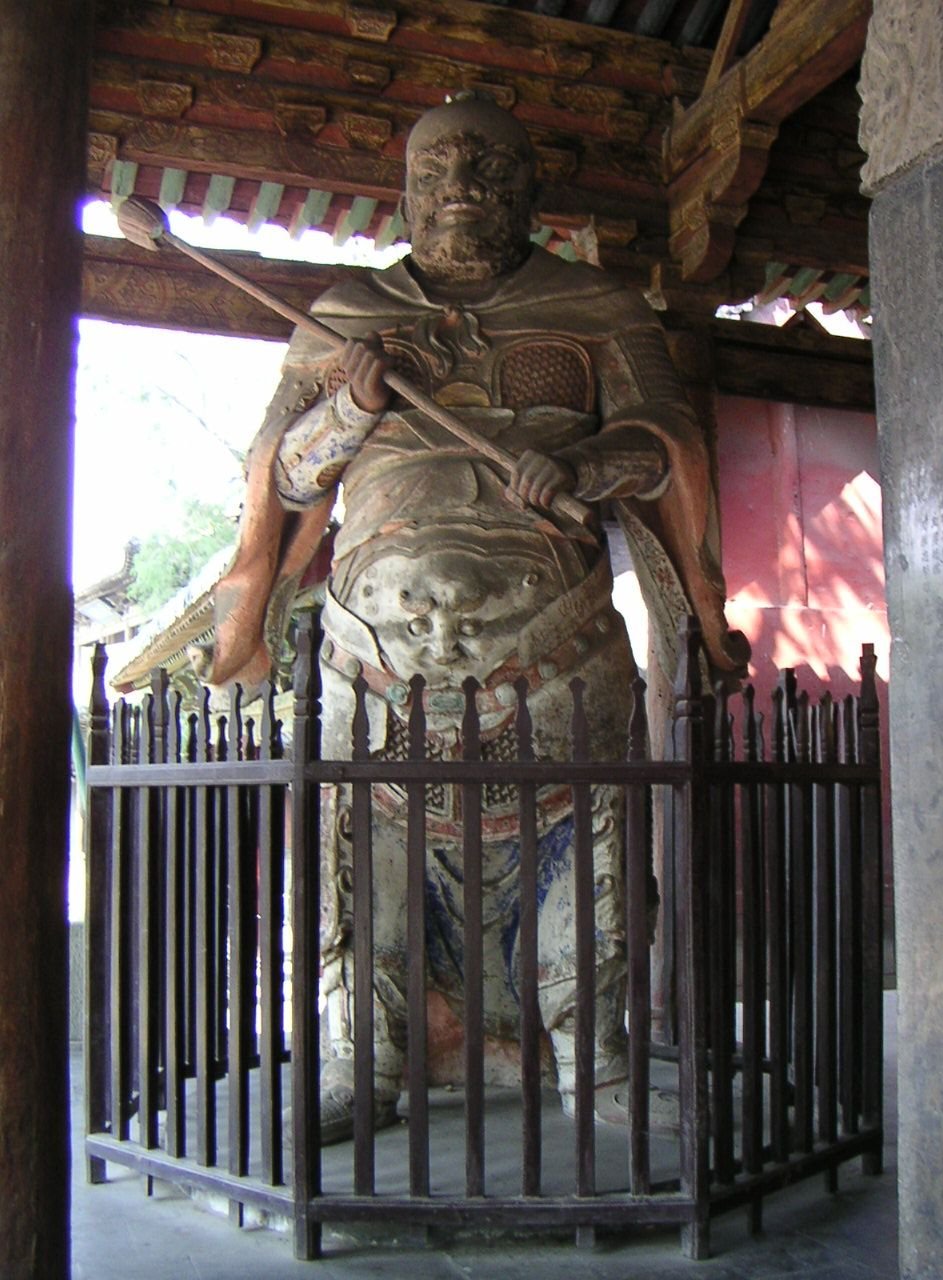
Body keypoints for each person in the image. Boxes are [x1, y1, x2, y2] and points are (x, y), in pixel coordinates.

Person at [201, 93, 748, 1142]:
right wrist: (353, 407)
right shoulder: (347, 313)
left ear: (530, 195)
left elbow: (666, 445)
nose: (461, 189)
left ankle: (594, 1058)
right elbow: (287, 476)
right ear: (404, 194)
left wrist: (587, 460)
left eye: (490, 171)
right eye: (438, 170)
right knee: (364, 861)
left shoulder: (595, 306)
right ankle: (367, 1057)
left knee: (587, 852)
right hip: (374, 662)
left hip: (553, 647)